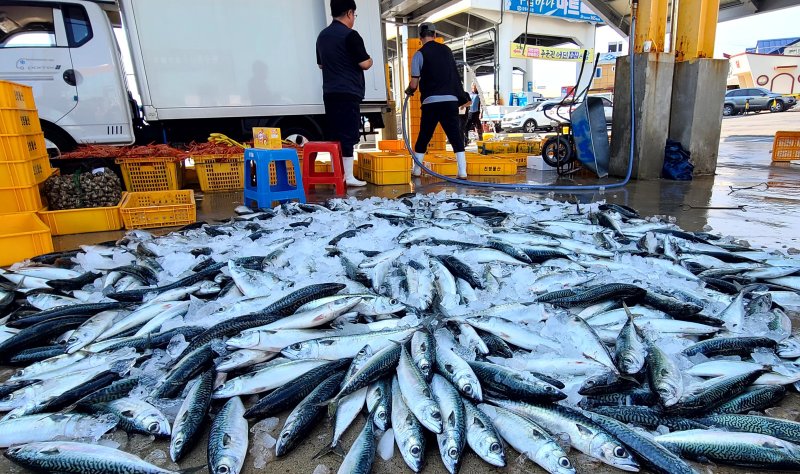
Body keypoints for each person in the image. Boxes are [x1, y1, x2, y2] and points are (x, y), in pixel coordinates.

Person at [316, 0, 373, 187]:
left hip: (329, 92)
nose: (353, 19)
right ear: (349, 13)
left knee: (334, 134)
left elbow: (321, 65)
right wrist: (370, 60)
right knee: (348, 134)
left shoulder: (322, 36)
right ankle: (348, 176)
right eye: (354, 15)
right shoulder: (351, 36)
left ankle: (337, 174)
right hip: (348, 92)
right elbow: (364, 63)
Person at [405, 23, 471, 179]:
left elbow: (414, 84)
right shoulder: (447, 51)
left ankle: (417, 170)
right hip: (450, 101)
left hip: (431, 102)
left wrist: (409, 91)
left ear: (420, 37)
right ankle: (462, 171)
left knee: (424, 136)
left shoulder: (419, 54)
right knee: (455, 135)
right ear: (434, 35)